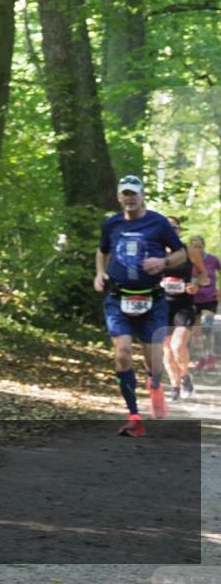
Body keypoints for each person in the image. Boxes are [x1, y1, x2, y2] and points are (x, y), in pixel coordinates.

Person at [94, 176, 187, 436]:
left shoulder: (158, 222)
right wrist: (100, 273)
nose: (130, 198)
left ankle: (154, 384)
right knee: (122, 352)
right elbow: (102, 250)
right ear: (119, 197)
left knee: (154, 362)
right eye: (125, 193)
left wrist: (164, 262)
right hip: (118, 297)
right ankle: (134, 416)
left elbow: (181, 252)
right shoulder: (112, 223)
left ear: (142, 195)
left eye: (134, 193)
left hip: (152, 299)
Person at [161, 217, 200, 401]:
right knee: (167, 350)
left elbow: (204, 276)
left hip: (184, 306)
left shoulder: (189, 251)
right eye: (166, 228)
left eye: (174, 228)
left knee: (178, 345)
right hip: (161, 306)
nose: (171, 230)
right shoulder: (154, 252)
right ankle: (175, 387)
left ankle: (185, 376)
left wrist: (196, 285)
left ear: (179, 231)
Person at [191, 235, 219, 372]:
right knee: (196, 332)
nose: (197, 249)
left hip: (209, 299)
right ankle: (201, 358)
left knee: (207, 327)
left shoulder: (213, 260)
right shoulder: (187, 261)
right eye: (194, 246)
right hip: (192, 300)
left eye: (199, 246)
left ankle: (210, 358)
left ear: (204, 246)